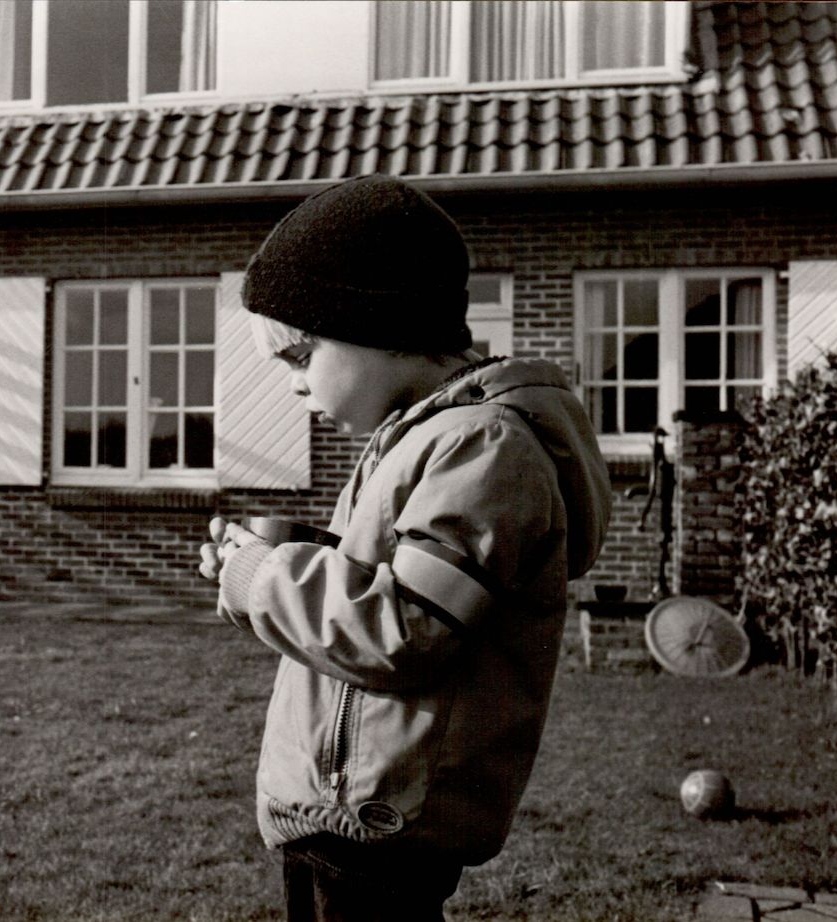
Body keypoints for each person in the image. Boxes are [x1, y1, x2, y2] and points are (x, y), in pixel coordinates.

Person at [198, 174, 612, 922]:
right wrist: (261, 570)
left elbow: (409, 626)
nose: (292, 387)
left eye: (301, 356)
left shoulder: (481, 450)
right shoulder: (426, 437)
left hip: (379, 827)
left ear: (380, 325)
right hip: (353, 813)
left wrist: (266, 578)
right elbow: (404, 581)